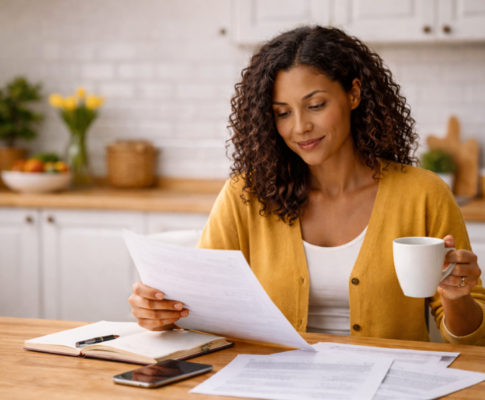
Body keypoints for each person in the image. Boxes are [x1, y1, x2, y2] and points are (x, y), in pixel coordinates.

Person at [129, 26, 485, 345]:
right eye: (282, 113)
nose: (299, 127)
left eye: (315, 105)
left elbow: (473, 340)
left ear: (354, 94)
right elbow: (200, 312)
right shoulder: (246, 195)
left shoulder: (423, 194)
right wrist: (163, 314)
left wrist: (457, 297)